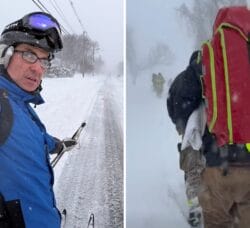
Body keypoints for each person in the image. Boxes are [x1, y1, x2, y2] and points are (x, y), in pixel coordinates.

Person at [0, 12, 78, 228]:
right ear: (4, 54)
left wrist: (58, 144)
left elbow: (34, 137)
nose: (37, 68)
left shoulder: (19, 103)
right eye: (29, 55)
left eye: (44, 60)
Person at [167, 50, 205, 227]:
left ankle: (195, 209)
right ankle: (206, 203)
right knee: (204, 166)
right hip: (207, 128)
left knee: (192, 171)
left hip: (186, 130)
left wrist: (180, 124)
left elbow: (170, 102)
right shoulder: (208, 77)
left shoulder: (181, 78)